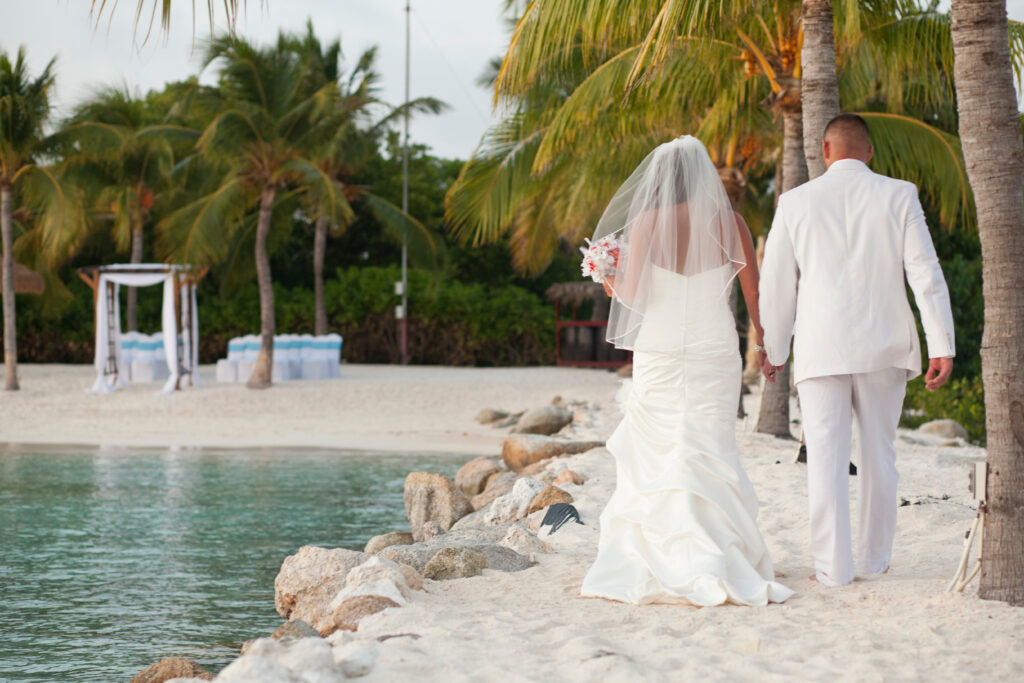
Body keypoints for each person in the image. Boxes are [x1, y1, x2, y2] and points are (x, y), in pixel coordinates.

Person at [580, 135, 793, 606]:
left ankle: (663, 551)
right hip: (714, 347)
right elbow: (756, 296)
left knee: (661, 449)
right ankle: (716, 550)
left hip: (658, 346)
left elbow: (632, 296)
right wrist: (771, 345)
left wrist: (607, 277)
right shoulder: (732, 223)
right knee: (709, 446)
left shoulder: (646, 224)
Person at [759, 113, 956, 587]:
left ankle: (832, 568)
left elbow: (777, 284)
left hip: (820, 347)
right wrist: (940, 343)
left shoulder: (794, 201)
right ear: (869, 152)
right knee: (879, 454)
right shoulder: (899, 194)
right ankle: (873, 560)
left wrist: (775, 347)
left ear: (825, 151)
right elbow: (924, 273)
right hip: (884, 344)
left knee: (824, 457)